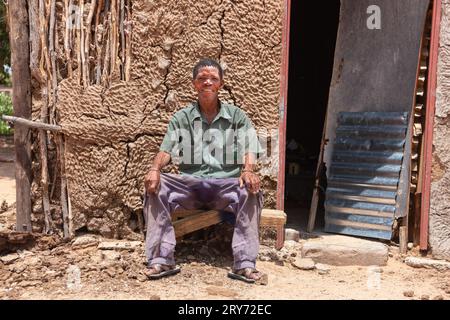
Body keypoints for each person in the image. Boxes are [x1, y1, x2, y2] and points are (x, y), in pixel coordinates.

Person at [143, 58, 265, 283]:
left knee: (250, 190)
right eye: (202, 78)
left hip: (225, 186)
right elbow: (167, 149)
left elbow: (250, 146)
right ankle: (161, 259)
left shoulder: (236, 116)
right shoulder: (182, 117)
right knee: (156, 186)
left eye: (213, 78)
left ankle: (245, 264)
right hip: (190, 186)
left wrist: (248, 170)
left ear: (220, 84)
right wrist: (155, 168)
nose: (207, 82)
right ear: (194, 84)